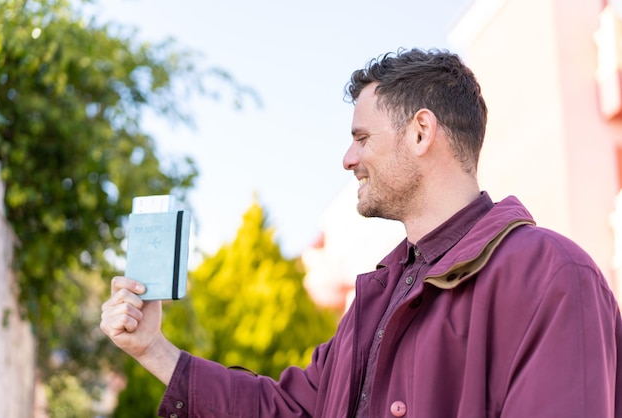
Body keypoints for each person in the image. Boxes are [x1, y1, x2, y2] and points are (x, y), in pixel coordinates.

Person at [100, 48, 622, 417]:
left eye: (362, 138)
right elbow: (287, 411)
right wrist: (153, 349)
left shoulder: (552, 275)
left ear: (421, 132)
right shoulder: (374, 302)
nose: (348, 159)